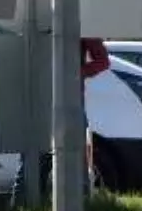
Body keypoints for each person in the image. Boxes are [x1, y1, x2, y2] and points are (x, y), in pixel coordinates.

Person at [13, 37, 110, 195]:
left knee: (74, 163)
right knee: (31, 162)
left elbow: (103, 61)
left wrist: (75, 73)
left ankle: (79, 206)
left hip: (70, 102)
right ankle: (23, 208)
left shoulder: (80, 22)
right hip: (39, 99)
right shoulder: (36, 18)